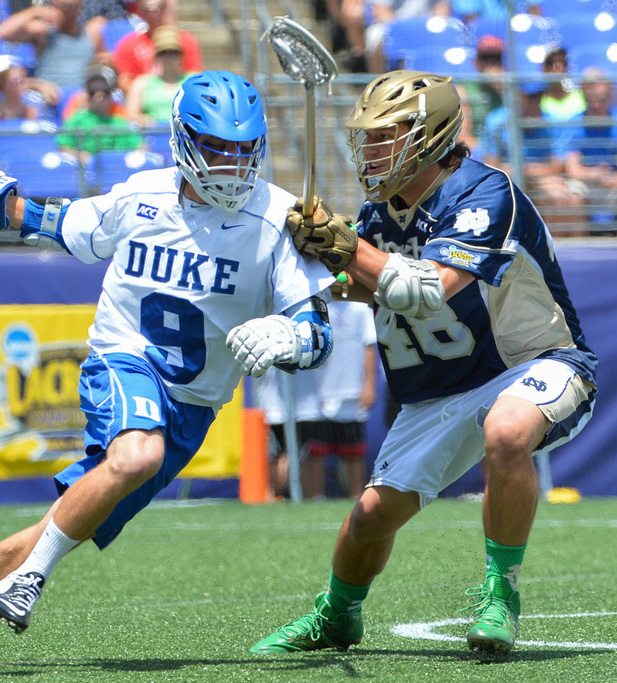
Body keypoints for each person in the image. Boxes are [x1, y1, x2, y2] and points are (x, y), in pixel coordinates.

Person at [0, 69, 337, 670]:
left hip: (193, 405)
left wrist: (290, 334)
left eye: (243, 152)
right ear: (182, 139)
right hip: (124, 356)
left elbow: (318, 333)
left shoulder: (277, 219)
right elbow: (52, 222)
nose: (231, 166)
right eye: (215, 148)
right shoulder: (142, 195)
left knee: (62, 522)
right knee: (137, 456)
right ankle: (31, 580)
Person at [249, 70, 597, 658]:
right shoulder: (380, 213)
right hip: (438, 392)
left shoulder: (487, 192)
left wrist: (346, 245)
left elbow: (432, 286)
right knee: (368, 519)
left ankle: (500, 594)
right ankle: (336, 615)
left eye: (386, 136)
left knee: (508, 432)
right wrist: (306, 276)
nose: (372, 150)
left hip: (534, 362)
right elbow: (357, 285)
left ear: (429, 135)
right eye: (370, 137)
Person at [258, 297, 378, 500]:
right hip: (304, 396)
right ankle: (308, 495)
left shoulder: (358, 308)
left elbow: (368, 346)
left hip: (339, 393)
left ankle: (357, 494)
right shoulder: (306, 307)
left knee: (352, 449)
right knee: (309, 451)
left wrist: (369, 384)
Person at [480, 79, 581, 235]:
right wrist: (524, 173)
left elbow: (558, 166)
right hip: (508, 183)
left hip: (542, 181)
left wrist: (521, 171)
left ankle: (556, 252)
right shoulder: (496, 121)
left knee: (560, 196)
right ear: (516, 96)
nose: (536, 101)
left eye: (540, 95)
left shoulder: (552, 122)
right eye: (531, 96)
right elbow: (491, 166)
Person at [564, 69, 617, 236]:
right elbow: (572, 169)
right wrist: (595, 175)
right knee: (572, 195)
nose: (596, 105)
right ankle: (579, 252)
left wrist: (614, 180)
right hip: (588, 184)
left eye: (601, 99)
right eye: (590, 99)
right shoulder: (574, 123)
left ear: (609, 96)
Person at [111, 0, 202, 94]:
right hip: (144, 99)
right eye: (149, 9)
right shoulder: (129, 44)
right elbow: (124, 81)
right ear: (140, 11)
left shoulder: (185, 41)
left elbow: (195, 76)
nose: (155, 13)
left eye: (160, 7)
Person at [0, 0, 94, 89]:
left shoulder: (90, 31)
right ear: (54, 6)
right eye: (66, 7)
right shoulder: (43, 31)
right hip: (49, 91)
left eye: (76, 7)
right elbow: (4, 33)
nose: (71, 12)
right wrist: (35, 11)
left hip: (80, 94)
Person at [55, 63, 142, 159]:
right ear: (87, 93)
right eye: (93, 90)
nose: (99, 95)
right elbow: (63, 147)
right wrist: (81, 156)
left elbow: (140, 148)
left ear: (111, 92)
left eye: (104, 90)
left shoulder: (119, 123)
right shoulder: (77, 120)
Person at [123, 25, 192, 128]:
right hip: (153, 136)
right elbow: (131, 114)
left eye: (173, 52)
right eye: (163, 53)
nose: (169, 57)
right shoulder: (142, 83)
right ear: (156, 56)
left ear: (181, 55)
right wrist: (146, 121)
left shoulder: (192, 81)